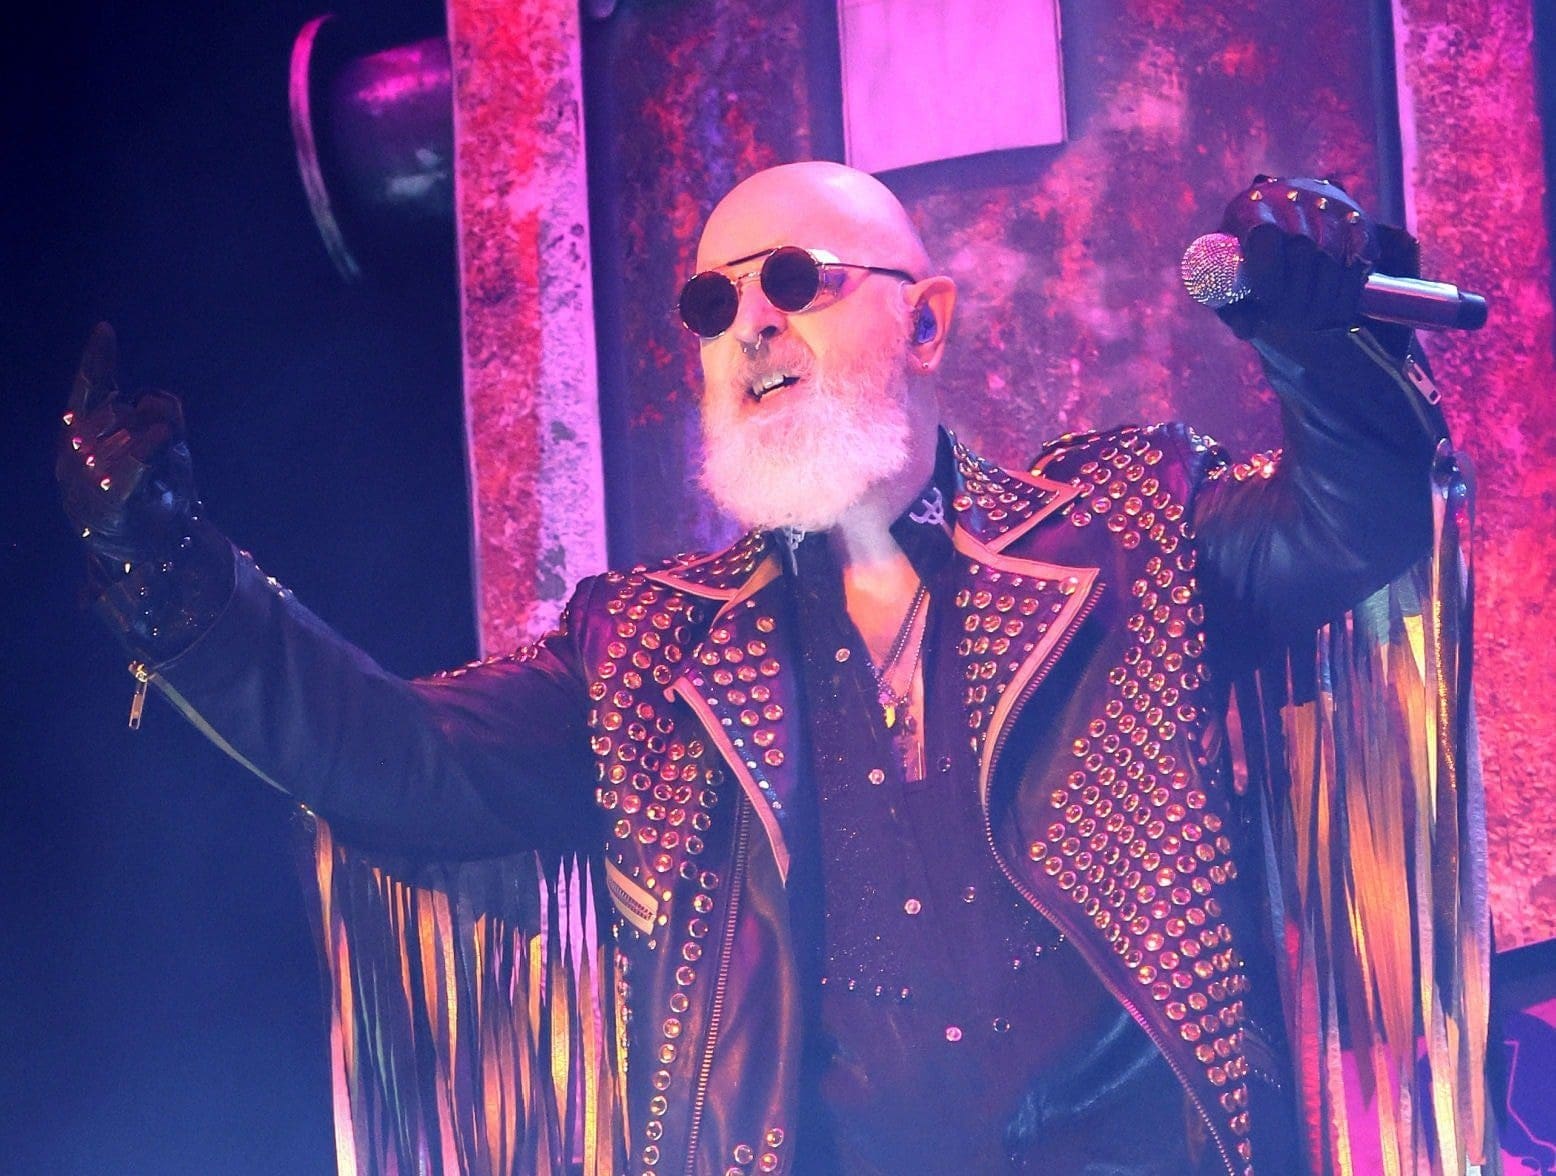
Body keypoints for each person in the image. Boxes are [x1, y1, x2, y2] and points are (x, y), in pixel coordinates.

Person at [59, 162, 1485, 1175]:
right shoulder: (648, 652)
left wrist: (1317, 332)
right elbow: (400, 762)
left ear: (924, 321)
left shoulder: (1128, 528)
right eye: (711, 302)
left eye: (797, 282)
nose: (750, 324)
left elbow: (1353, 518)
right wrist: (168, 574)